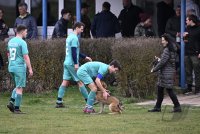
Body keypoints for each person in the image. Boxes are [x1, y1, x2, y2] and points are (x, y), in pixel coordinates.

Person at [55, 22, 92, 108]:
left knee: (65, 81)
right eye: (81, 29)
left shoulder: (69, 37)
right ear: (77, 28)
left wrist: (85, 56)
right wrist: (76, 64)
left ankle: (59, 101)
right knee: (80, 81)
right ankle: (89, 101)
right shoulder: (75, 38)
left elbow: (75, 51)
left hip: (66, 62)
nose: (82, 31)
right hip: (72, 63)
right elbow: (74, 52)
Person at [148, 33, 181, 113]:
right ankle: (157, 107)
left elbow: (163, 62)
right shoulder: (171, 48)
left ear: (167, 41)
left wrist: (154, 69)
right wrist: (159, 59)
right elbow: (167, 61)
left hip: (167, 73)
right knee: (160, 89)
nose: (162, 42)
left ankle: (177, 107)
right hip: (167, 72)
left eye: (163, 40)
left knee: (169, 90)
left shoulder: (167, 49)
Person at [6, 25, 33, 114]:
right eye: (26, 31)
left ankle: (11, 102)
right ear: (22, 32)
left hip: (11, 66)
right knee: (20, 88)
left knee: (17, 86)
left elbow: (8, 54)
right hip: (19, 67)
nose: (26, 33)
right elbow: (26, 56)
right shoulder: (22, 42)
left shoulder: (10, 41)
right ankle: (17, 108)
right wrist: (30, 69)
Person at [183, 15, 200, 94]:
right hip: (187, 53)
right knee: (188, 71)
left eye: (187, 20)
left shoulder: (199, 29)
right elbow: (185, 41)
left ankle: (197, 88)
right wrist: (184, 37)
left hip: (195, 54)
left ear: (191, 20)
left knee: (197, 71)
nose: (186, 21)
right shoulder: (187, 28)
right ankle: (189, 88)